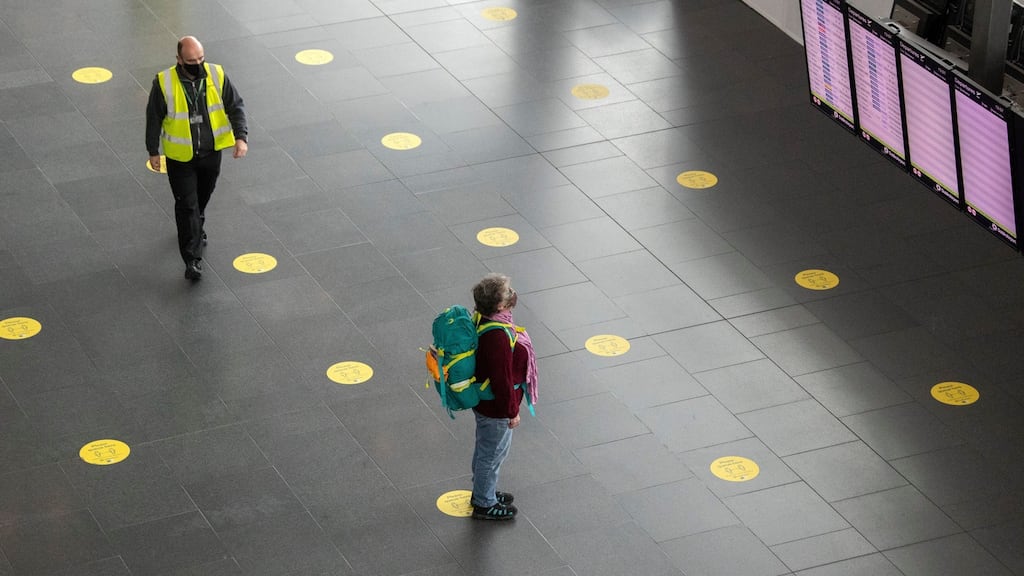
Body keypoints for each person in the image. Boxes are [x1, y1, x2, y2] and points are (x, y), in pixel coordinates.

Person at [146, 35, 248, 281]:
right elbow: (154, 117)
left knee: (202, 198)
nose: (198, 64)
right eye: (191, 61)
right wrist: (153, 150)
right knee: (186, 205)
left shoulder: (216, 75)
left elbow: (235, 106)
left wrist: (241, 137)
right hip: (180, 157)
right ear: (179, 60)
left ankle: (196, 224)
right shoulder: (164, 82)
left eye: (201, 58)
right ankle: (192, 259)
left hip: (210, 153)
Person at [469, 273, 538, 520]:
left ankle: (483, 490)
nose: (512, 293)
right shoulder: (497, 336)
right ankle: (484, 503)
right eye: (507, 292)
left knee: (485, 450)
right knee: (492, 454)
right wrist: (512, 411)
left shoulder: (484, 320)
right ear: (499, 305)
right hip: (496, 408)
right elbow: (502, 379)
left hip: (486, 402)